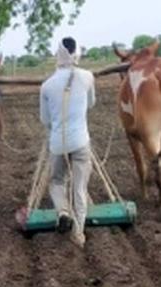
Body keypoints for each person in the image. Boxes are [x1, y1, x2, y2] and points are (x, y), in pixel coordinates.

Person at [40, 37, 96, 248]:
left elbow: (45, 120)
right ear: (76, 54)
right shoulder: (87, 77)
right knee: (80, 188)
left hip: (57, 144)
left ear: (58, 55)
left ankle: (63, 211)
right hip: (81, 142)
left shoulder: (46, 86)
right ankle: (79, 233)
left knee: (56, 181)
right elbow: (91, 103)